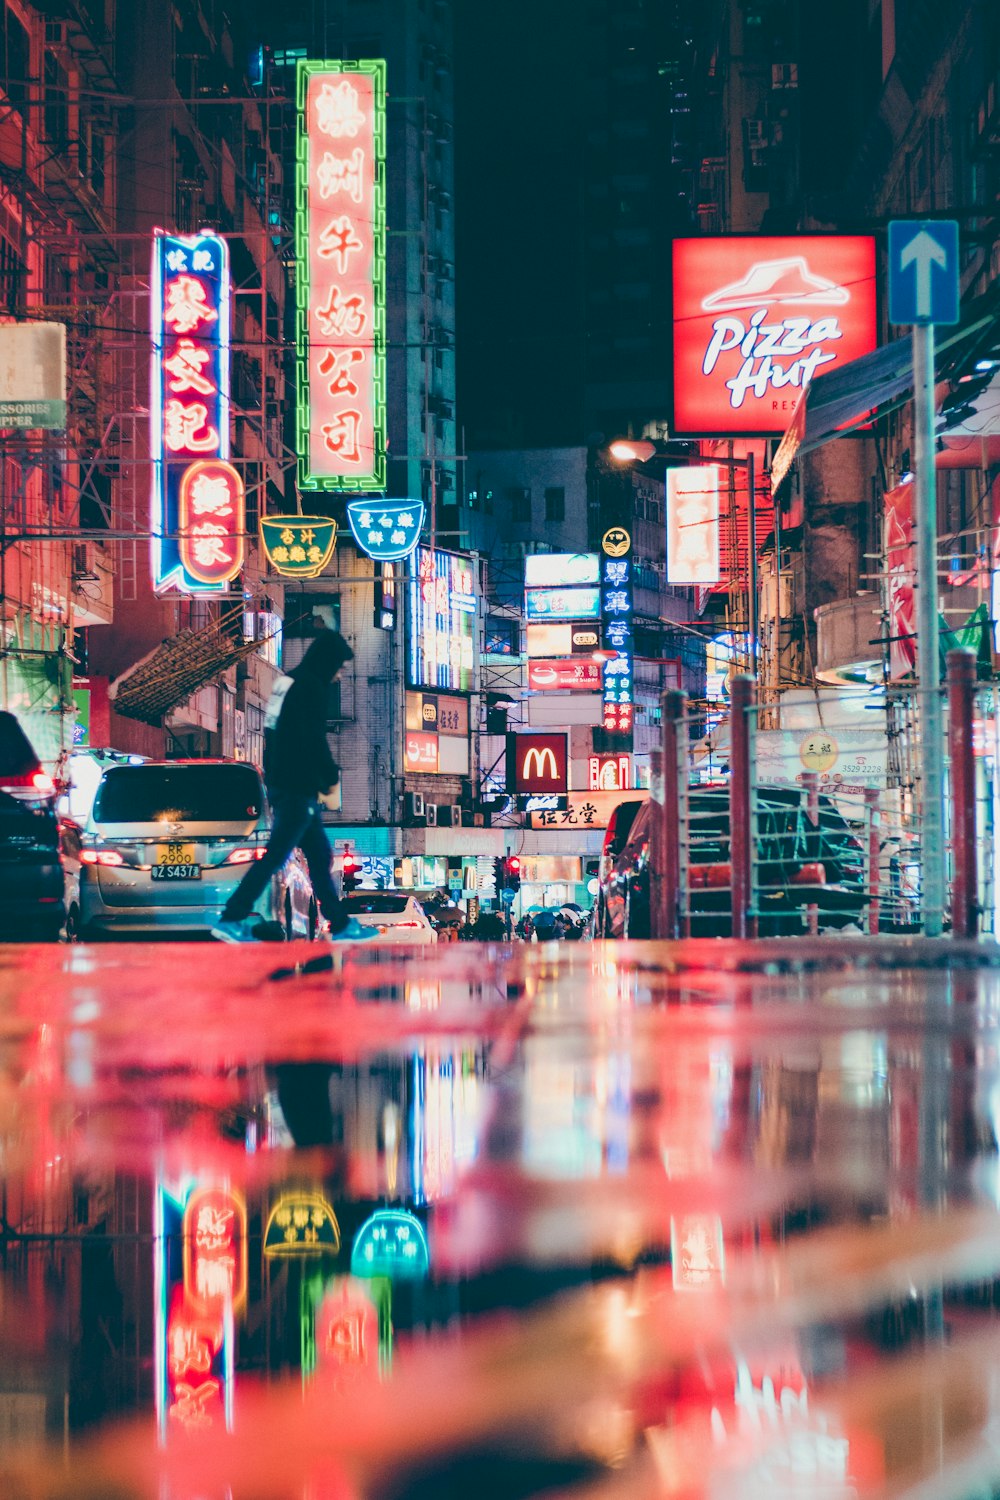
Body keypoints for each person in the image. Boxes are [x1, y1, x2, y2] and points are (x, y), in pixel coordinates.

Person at [212, 630, 373, 943]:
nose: (339, 674)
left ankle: (339, 924)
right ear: (327, 661)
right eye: (338, 666)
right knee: (276, 855)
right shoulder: (311, 687)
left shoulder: (286, 682)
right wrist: (328, 773)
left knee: (319, 855)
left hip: (284, 783)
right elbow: (312, 736)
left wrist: (274, 778)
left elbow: (272, 732)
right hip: (297, 786)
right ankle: (232, 917)